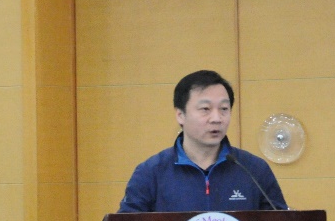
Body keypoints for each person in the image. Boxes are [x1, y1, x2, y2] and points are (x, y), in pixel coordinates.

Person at [118, 70, 288, 212]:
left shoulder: (254, 170)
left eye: (224, 109)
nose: (217, 118)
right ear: (180, 115)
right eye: (205, 109)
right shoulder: (151, 173)